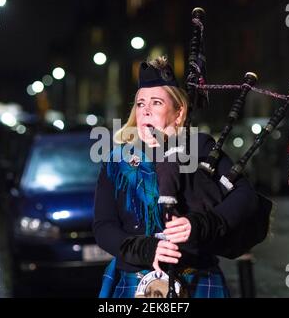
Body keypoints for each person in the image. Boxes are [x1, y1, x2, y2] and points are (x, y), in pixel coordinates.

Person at [93, 56, 259, 298]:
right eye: (140, 104)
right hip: (135, 281)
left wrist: (201, 224)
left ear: (179, 113)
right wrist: (146, 249)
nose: (145, 110)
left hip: (196, 280)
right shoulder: (117, 161)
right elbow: (103, 226)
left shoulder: (200, 149)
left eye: (156, 103)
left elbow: (246, 197)